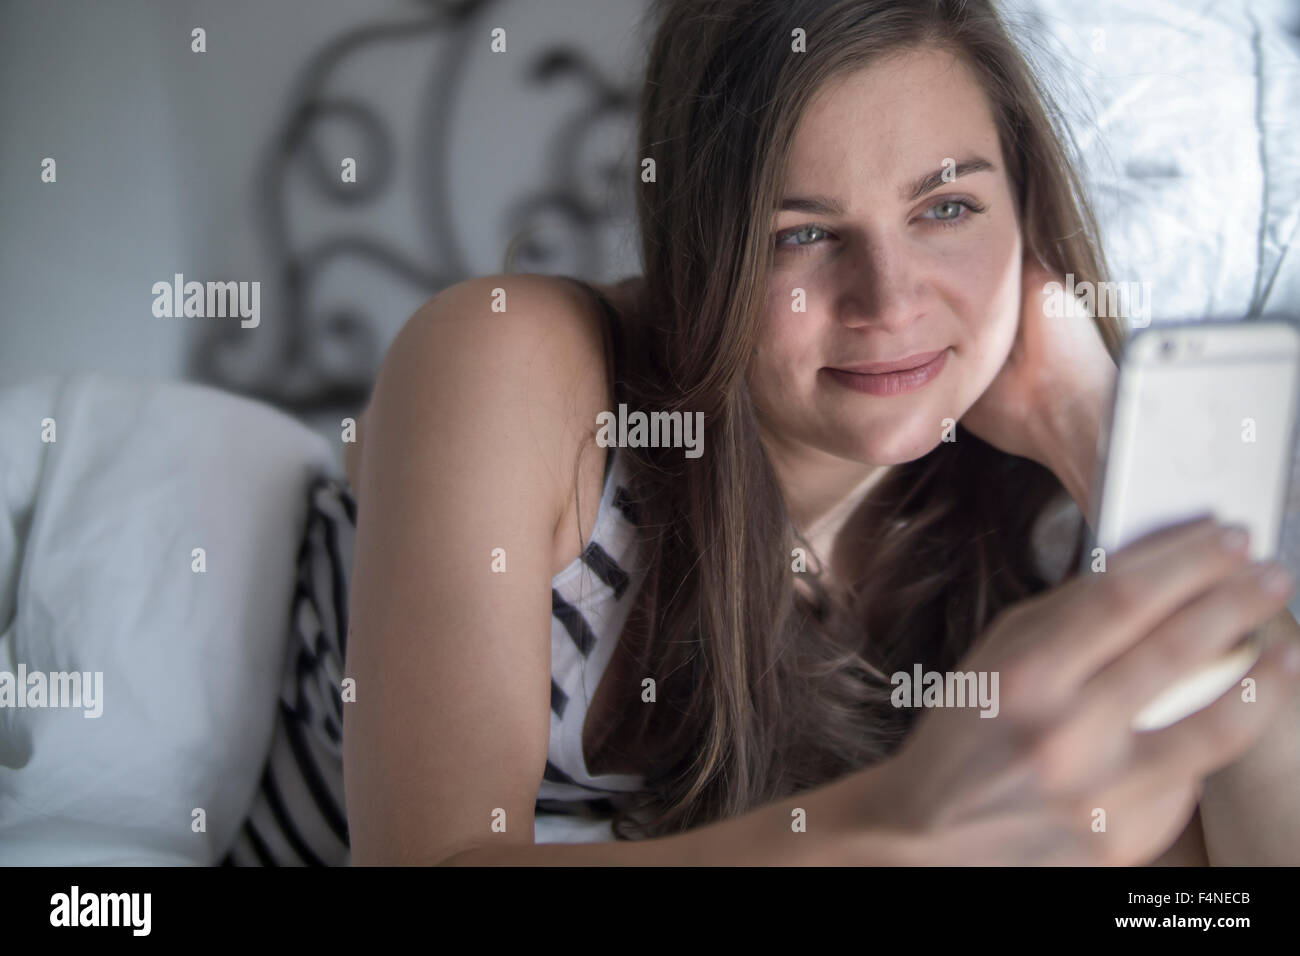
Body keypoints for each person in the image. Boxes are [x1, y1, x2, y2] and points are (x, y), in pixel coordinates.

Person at [224, 0, 1300, 866]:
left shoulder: (1039, 508)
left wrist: (1096, 428)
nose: (888, 298)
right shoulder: (516, 362)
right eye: (803, 233)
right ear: (704, 254)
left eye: (945, 208)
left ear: (1025, 213)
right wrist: (903, 824)